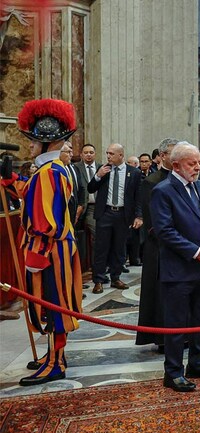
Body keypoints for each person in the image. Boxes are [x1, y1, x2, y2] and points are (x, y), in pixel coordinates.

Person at [0, 98, 83, 385]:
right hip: (54, 247)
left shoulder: (51, 173)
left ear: (48, 144)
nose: (31, 146)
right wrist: (10, 180)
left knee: (54, 305)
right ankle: (52, 355)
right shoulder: (49, 171)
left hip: (50, 250)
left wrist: (37, 249)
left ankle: (56, 363)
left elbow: (48, 222)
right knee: (50, 304)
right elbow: (32, 195)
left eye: (35, 142)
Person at [151, 142, 200, 392]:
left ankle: (198, 363)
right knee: (177, 324)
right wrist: (196, 252)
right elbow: (165, 231)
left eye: (198, 163)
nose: (198, 167)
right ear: (176, 165)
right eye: (192, 163)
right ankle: (173, 372)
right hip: (179, 269)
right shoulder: (163, 191)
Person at [135, 138, 179, 350]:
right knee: (161, 294)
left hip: (181, 247)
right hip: (160, 247)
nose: (176, 157)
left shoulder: (183, 179)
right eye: (172, 153)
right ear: (162, 156)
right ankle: (162, 337)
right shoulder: (152, 181)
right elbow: (151, 221)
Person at [87, 143, 143, 293]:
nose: (108, 156)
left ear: (121, 155)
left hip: (123, 215)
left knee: (119, 248)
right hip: (105, 213)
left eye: (111, 154)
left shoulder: (134, 173)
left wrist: (139, 216)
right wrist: (98, 176)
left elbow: (138, 196)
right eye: (107, 153)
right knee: (101, 248)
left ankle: (115, 277)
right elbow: (90, 188)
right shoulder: (104, 170)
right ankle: (98, 280)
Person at [73, 143, 99, 271]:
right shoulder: (75, 168)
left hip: (95, 207)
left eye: (91, 152)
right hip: (80, 206)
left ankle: (96, 266)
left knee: (96, 235)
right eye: (86, 152)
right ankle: (80, 268)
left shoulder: (101, 167)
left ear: (95, 154)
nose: (88, 155)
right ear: (81, 154)